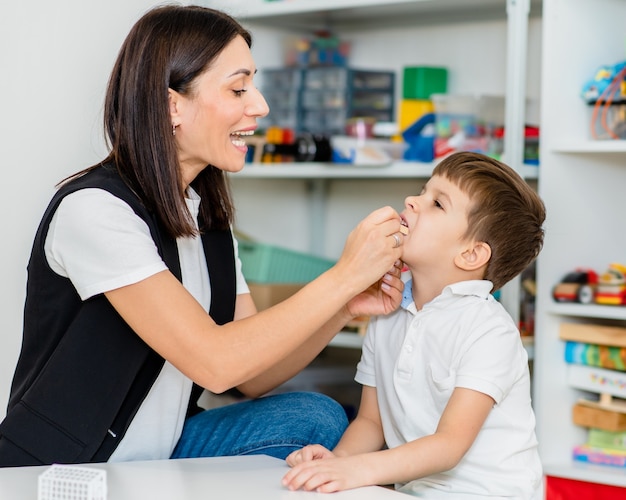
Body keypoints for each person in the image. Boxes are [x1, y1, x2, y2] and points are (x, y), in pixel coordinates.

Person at [0, 5, 407, 467]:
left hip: (162, 452)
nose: (260, 106)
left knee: (313, 417)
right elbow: (217, 363)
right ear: (173, 105)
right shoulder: (95, 211)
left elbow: (252, 377)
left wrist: (344, 308)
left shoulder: (206, 216)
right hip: (74, 465)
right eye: (238, 88)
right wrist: (343, 275)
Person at [283, 151, 545, 499]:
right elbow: (370, 422)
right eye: (423, 190)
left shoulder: (488, 329)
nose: (412, 200)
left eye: (437, 203)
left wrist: (358, 470)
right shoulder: (388, 310)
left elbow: (449, 445)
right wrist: (337, 460)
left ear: (470, 255)